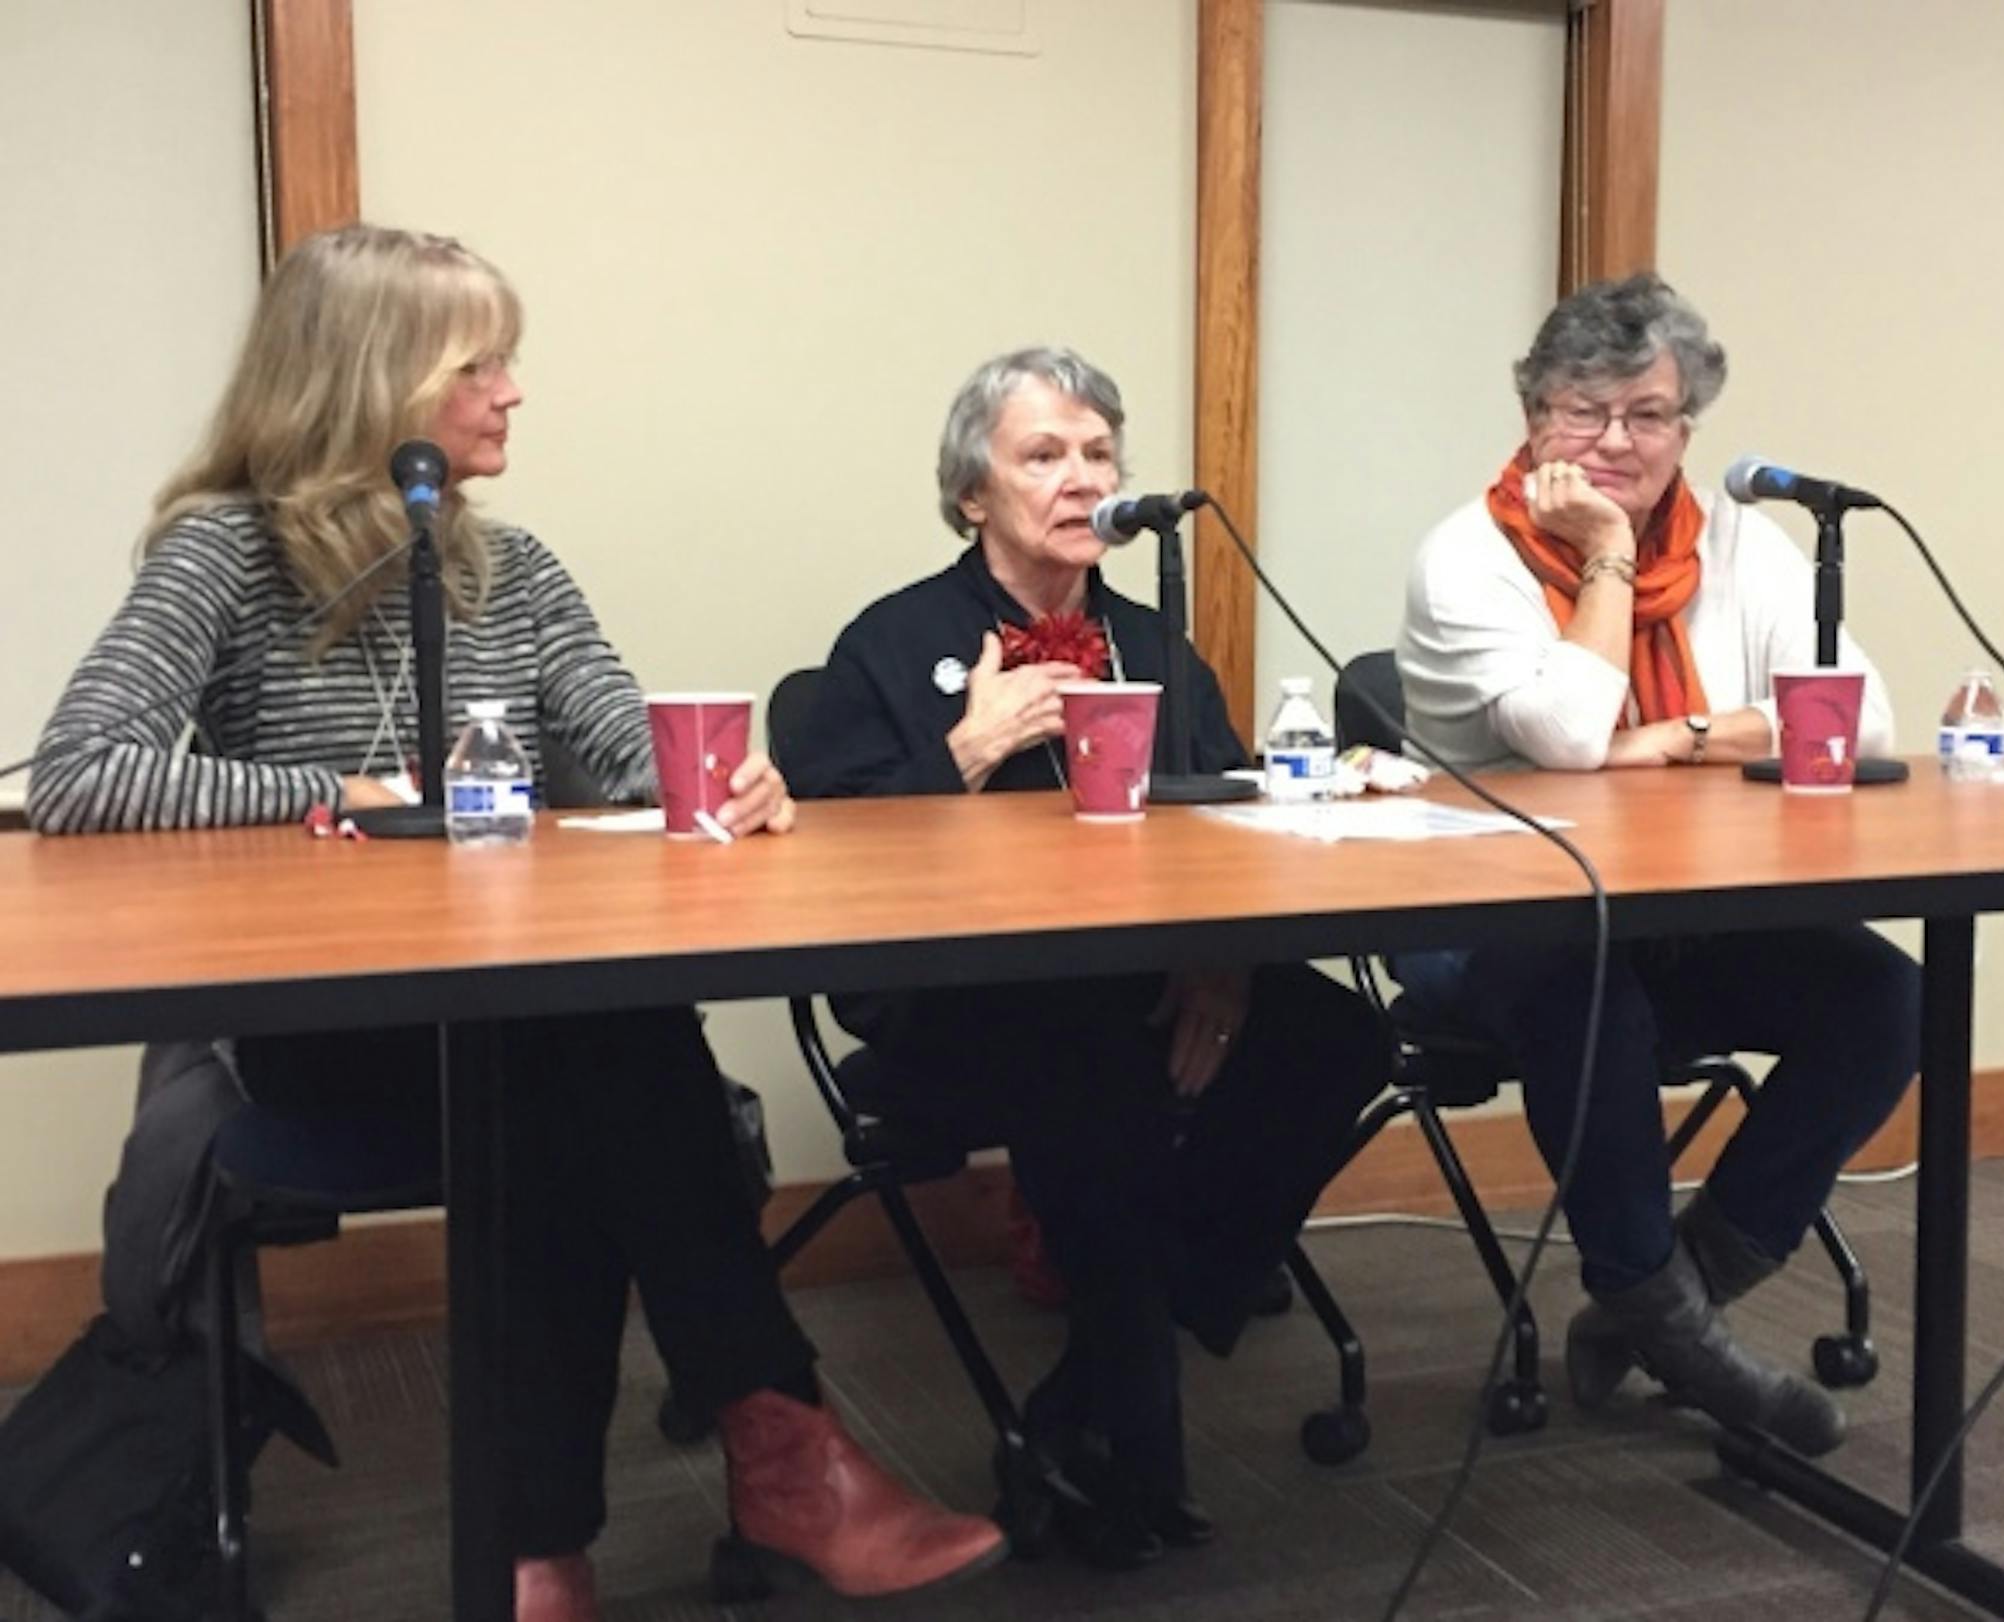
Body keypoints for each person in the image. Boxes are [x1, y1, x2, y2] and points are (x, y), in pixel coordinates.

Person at [27, 224, 1004, 1620]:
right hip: (330, 1029)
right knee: (609, 1064)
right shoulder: (224, 558)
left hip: (518, 1012)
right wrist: (342, 791)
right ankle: (772, 1455)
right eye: (479, 361)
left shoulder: (516, 568)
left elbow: (615, 739)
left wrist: (722, 780)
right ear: (375, 381)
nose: (512, 390)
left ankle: (543, 1547)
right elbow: (81, 770)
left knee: (569, 1065)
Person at [787, 346, 1391, 1567]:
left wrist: (1225, 965)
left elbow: (1232, 819)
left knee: (1341, 1035)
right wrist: (964, 752)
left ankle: (1093, 1379)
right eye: (1043, 455)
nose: (1080, 478)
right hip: (959, 999)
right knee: (1097, 1078)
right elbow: (824, 863)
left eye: (1099, 454)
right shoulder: (895, 642)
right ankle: (1127, 1449)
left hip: (1150, 976)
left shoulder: (1152, 637)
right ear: (973, 493)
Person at [1390, 274, 1920, 1458]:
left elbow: (1860, 717)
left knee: (1885, 996)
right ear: (1534, 414)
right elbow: (1575, 739)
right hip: (1482, 918)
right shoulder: (1466, 557)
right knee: (1585, 983)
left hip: (1681, 907)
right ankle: (1669, 1316)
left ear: (1690, 427)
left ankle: (1667, 1301)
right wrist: (1612, 558)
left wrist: (1670, 735)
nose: (1618, 440)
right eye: (1585, 410)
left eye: (1650, 413)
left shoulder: (1746, 542)